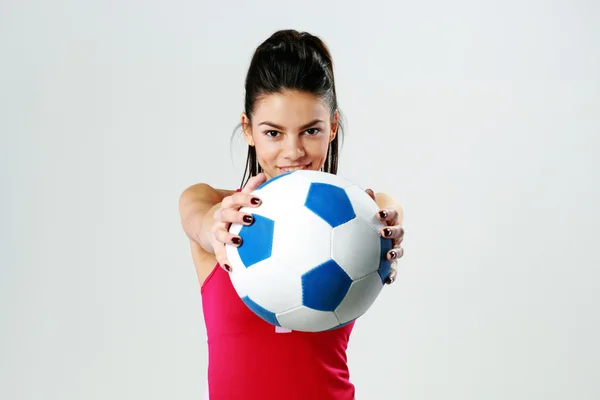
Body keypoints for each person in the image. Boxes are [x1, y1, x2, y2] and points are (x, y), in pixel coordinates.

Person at [178, 29, 405, 400]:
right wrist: (215, 226)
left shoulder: (362, 213)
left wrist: (387, 228)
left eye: (311, 131)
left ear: (332, 126)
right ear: (249, 129)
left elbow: (390, 212)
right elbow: (200, 222)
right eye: (273, 133)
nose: (293, 151)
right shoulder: (212, 205)